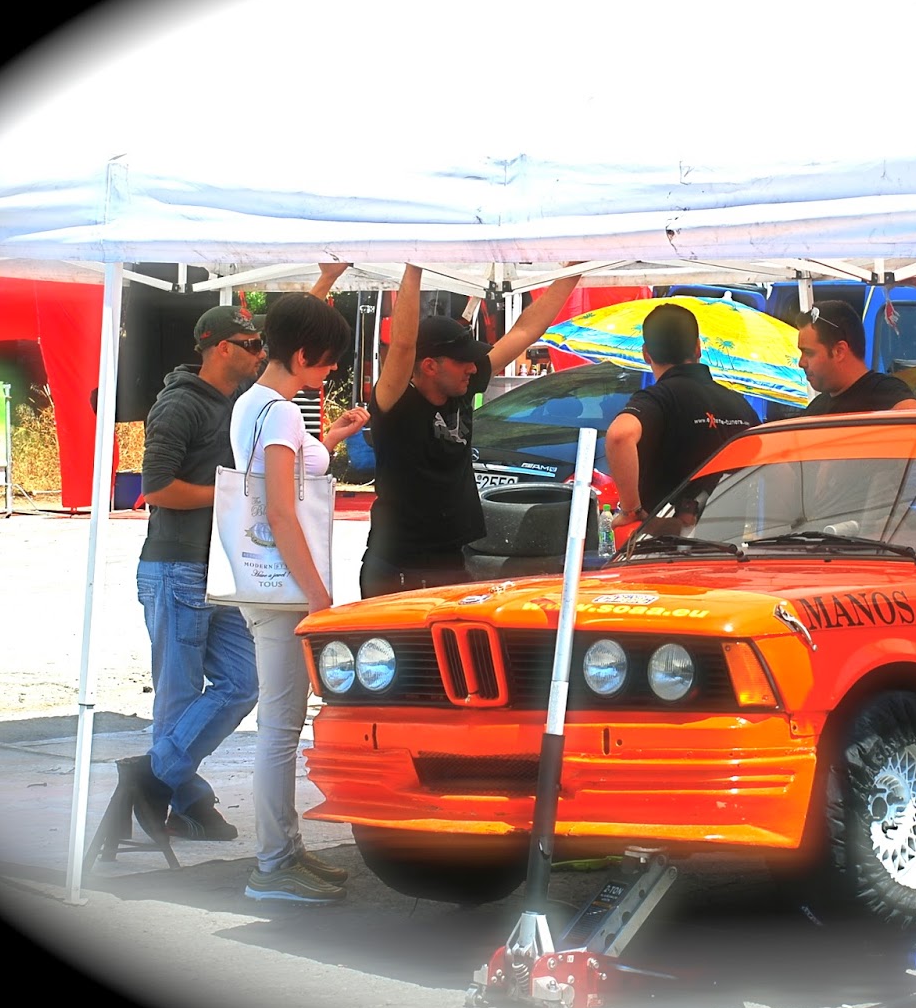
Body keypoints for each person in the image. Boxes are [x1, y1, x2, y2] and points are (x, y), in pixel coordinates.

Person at [125, 265, 347, 843]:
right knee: (178, 695)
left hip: (221, 567)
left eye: (262, 343)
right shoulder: (180, 405)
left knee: (242, 683)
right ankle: (182, 801)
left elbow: (294, 341)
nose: (260, 351)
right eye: (250, 344)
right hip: (177, 564)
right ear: (222, 348)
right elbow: (155, 489)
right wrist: (238, 498)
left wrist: (322, 286)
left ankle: (154, 777)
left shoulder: (247, 401)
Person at [229, 291, 369, 903]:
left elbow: (280, 485)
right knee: (281, 729)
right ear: (305, 353)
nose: (331, 370)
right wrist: (318, 596)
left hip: (268, 581)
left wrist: (328, 439)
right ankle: (272, 863)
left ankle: (283, 850)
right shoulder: (282, 413)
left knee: (280, 726)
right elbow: (283, 511)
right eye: (328, 359)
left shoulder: (253, 404)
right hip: (286, 587)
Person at [359, 262, 583, 598]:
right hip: (399, 568)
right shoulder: (396, 404)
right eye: (462, 360)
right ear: (430, 366)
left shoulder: (460, 389)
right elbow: (403, 345)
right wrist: (414, 265)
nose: (473, 368)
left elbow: (525, 331)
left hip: (452, 559)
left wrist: (573, 273)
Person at [605, 303, 758, 533]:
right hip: (729, 545)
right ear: (698, 348)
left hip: (665, 545)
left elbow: (619, 436)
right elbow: (778, 466)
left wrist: (631, 511)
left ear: (646, 354)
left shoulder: (658, 399)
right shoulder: (740, 404)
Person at [795, 299, 916, 415]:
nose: (801, 363)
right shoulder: (815, 409)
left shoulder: (886, 393)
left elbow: (912, 413)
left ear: (839, 351)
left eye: (809, 353)